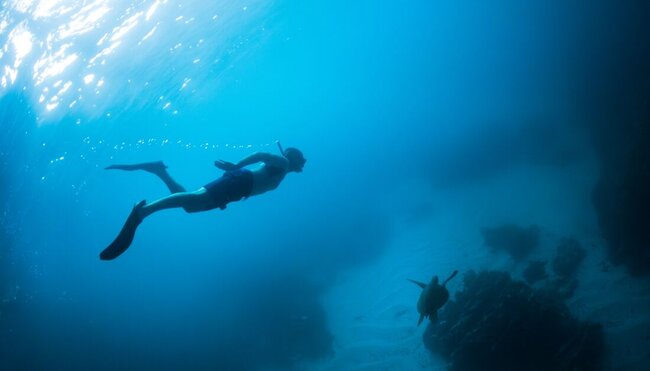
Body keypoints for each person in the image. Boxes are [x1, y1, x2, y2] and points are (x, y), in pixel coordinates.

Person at [99, 141, 306, 260]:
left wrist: (230, 198)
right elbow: (263, 155)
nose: (302, 166)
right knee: (196, 198)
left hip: (237, 190)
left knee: (190, 206)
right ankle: (143, 211)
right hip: (238, 181)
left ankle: (159, 171)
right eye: (301, 161)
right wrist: (236, 165)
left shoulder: (283, 171)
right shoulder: (284, 163)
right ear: (294, 158)